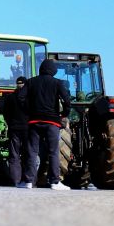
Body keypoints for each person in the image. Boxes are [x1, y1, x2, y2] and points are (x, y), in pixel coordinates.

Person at [20, 58, 71, 189]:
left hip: (34, 121)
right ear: (53, 71)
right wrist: (63, 114)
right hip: (52, 122)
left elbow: (20, 97)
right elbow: (67, 101)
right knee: (53, 152)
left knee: (32, 151)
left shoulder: (31, 82)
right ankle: (54, 182)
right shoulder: (57, 83)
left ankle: (28, 182)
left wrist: (28, 111)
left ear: (41, 69)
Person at [0, 75, 30, 188]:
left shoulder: (11, 97)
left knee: (14, 155)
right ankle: (29, 181)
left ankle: (16, 181)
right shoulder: (30, 97)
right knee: (28, 154)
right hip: (27, 129)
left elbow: (5, 112)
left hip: (14, 129)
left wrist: (10, 123)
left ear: (17, 84)